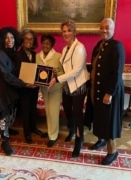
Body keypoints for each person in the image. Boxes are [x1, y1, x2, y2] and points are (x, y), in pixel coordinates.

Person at [84, 18, 125, 165]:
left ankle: (113, 152)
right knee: (99, 117)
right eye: (102, 27)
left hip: (109, 92)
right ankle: (101, 140)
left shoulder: (117, 46)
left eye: (107, 28)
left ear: (113, 29)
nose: (104, 30)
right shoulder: (98, 46)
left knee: (109, 121)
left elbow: (117, 72)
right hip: (96, 89)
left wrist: (109, 93)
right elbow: (95, 67)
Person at [49, 20, 89, 157]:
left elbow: (77, 71)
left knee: (77, 114)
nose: (66, 33)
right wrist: (56, 73)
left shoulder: (79, 48)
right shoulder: (65, 48)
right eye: (64, 31)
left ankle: (79, 140)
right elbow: (65, 68)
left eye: (68, 30)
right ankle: (72, 129)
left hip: (78, 84)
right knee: (66, 108)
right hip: (67, 84)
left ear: (74, 32)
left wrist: (58, 79)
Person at [0, 26, 29, 156]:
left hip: (10, 87)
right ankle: (4, 142)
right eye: (6, 38)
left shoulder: (12, 54)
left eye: (11, 37)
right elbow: (6, 75)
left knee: (10, 111)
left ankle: (7, 129)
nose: (9, 40)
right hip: (0, 89)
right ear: (1, 40)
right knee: (2, 114)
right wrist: (23, 84)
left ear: (15, 39)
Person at [14, 29, 47, 144]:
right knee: (25, 110)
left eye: (31, 39)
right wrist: (25, 84)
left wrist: (38, 82)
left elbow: (38, 71)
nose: (29, 41)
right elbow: (16, 73)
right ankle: (27, 133)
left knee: (33, 109)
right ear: (22, 40)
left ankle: (33, 128)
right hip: (23, 88)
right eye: (26, 38)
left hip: (34, 87)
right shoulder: (17, 55)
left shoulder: (35, 55)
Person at [36, 34, 64, 147]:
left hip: (55, 88)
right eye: (43, 42)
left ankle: (53, 136)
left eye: (48, 43)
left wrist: (57, 74)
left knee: (53, 112)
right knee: (48, 111)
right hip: (44, 89)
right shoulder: (38, 56)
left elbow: (64, 73)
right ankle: (50, 132)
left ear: (52, 45)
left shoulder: (59, 56)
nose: (45, 45)